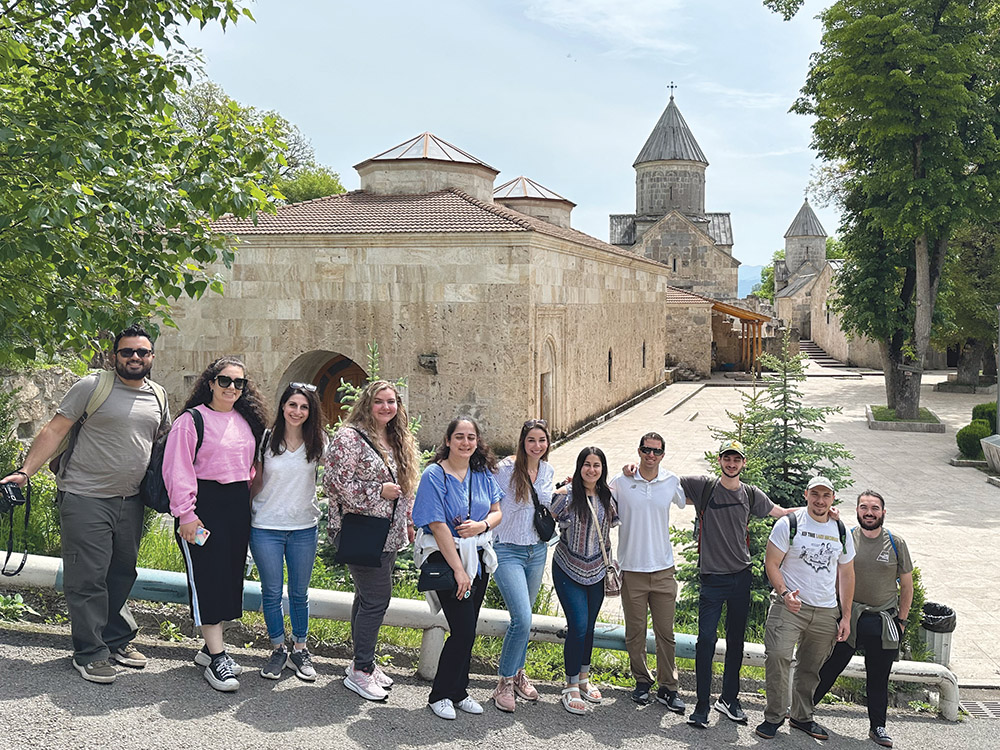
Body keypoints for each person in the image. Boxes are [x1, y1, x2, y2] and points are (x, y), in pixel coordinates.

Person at [0, 325, 169, 683]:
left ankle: (115, 639)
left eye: (142, 352)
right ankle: (89, 652)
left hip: (132, 500)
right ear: (114, 356)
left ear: (151, 357)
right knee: (88, 576)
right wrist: (25, 471)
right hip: (85, 496)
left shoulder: (158, 395)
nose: (135, 358)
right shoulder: (93, 386)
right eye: (127, 352)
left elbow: (163, 443)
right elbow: (54, 429)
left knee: (121, 572)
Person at [162, 356, 268, 692]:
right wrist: (186, 514)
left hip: (237, 508)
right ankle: (219, 657)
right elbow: (177, 470)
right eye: (225, 381)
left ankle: (210, 651)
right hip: (203, 508)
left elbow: (251, 469)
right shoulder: (191, 421)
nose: (232, 388)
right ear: (210, 382)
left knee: (227, 577)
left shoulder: (246, 421)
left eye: (239, 383)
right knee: (207, 578)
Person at [679, 440, 794, 728]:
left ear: (743, 463)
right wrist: (631, 470)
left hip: (741, 577)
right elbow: (663, 480)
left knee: (736, 642)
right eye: (727, 459)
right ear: (720, 461)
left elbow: (779, 512)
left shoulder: (751, 494)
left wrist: (819, 511)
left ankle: (729, 699)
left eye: (737, 460)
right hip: (711, 580)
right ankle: (702, 705)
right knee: (706, 640)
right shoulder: (703, 487)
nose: (732, 464)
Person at [325, 380, 421, 701]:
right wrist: (376, 491)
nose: (386, 407)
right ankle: (361, 670)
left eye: (391, 402)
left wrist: (407, 521)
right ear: (367, 403)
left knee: (365, 598)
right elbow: (335, 484)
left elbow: (404, 486)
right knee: (377, 598)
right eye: (379, 401)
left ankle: (362, 662)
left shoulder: (395, 438)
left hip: (388, 534)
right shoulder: (349, 438)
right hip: (360, 531)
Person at [412, 416, 502, 720]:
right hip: (447, 558)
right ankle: (439, 694)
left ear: (477, 442)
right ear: (448, 440)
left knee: (470, 630)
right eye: (459, 437)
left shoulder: (481, 474)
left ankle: (459, 691)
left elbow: (497, 511)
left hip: (478, 558)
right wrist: (459, 571)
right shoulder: (434, 475)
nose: (466, 443)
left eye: (471, 437)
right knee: (462, 631)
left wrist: (482, 525)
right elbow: (437, 525)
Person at [755, 475, 855, 741]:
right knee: (777, 656)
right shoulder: (789, 524)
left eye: (826, 495)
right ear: (806, 495)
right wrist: (785, 593)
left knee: (811, 667)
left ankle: (802, 716)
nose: (820, 501)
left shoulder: (841, 530)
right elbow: (772, 563)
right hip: (789, 606)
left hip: (825, 610)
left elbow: (846, 574)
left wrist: (845, 616)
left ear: (833, 498)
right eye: (815, 494)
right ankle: (774, 716)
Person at [813, 490, 914, 749]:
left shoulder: (895, 542)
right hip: (850, 617)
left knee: (879, 677)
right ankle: (802, 711)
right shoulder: (846, 537)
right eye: (864, 507)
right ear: (857, 510)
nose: (869, 512)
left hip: (882, 620)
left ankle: (877, 727)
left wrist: (901, 621)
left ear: (883, 512)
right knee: (830, 666)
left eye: (874, 508)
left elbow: (907, 585)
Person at [249, 382, 327, 682]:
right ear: (283, 406)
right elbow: (255, 480)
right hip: (266, 525)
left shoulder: (319, 440)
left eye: (304, 407)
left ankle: (300, 649)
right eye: (292, 405)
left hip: (303, 527)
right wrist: (244, 513)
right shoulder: (267, 439)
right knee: (271, 592)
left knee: (298, 593)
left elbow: (335, 477)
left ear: (311, 412)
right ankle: (278, 647)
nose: (297, 411)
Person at [608, 432, 686, 713]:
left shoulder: (671, 481)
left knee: (666, 633)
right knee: (635, 632)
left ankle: (669, 687)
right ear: (638, 451)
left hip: (664, 569)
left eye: (656, 451)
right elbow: (595, 490)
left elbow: (689, 499)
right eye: (646, 450)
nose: (650, 455)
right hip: (632, 570)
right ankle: (642, 681)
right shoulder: (621, 481)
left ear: (663, 454)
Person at [490, 418, 554, 713]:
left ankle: (518, 674)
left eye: (542, 441)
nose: (537, 446)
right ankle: (503, 682)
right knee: (522, 618)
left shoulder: (548, 470)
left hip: (536, 551)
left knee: (525, 620)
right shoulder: (504, 469)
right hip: (507, 551)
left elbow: (546, 503)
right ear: (522, 442)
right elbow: (489, 501)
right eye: (532, 440)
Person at [550, 446, 619, 716]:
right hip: (568, 567)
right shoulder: (567, 497)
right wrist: (560, 490)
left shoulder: (607, 498)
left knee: (589, 627)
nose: (592, 469)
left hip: (598, 571)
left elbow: (612, 528)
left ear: (602, 469)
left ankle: (584, 679)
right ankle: (570, 686)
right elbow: (544, 514)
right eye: (587, 464)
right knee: (578, 626)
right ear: (579, 467)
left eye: (597, 465)